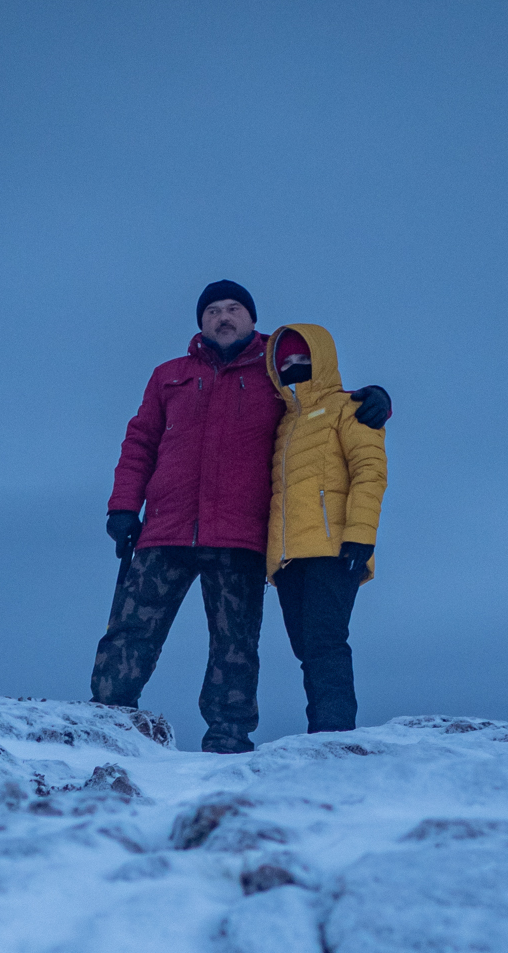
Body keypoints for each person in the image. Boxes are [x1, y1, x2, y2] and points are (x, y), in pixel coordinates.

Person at [91, 280, 390, 753]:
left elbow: (318, 397)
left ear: (252, 318)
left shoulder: (274, 372)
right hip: (165, 528)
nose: (224, 317)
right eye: (213, 310)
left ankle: (228, 740)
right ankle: (106, 722)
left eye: (234, 308)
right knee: (131, 631)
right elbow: (140, 442)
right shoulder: (169, 375)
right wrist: (124, 506)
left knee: (235, 647)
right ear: (201, 322)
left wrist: (374, 396)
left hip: (240, 535)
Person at [264, 323, 388, 735]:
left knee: (325, 641)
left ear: (322, 359)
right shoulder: (283, 424)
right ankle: (320, 731)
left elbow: (370, 472)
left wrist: (360, 536)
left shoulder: (348, 407)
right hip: (289, 557)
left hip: (335, 548)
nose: (294, 367)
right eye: (285, 362)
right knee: (305, 647)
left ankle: (334, 733)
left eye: (304, 358)